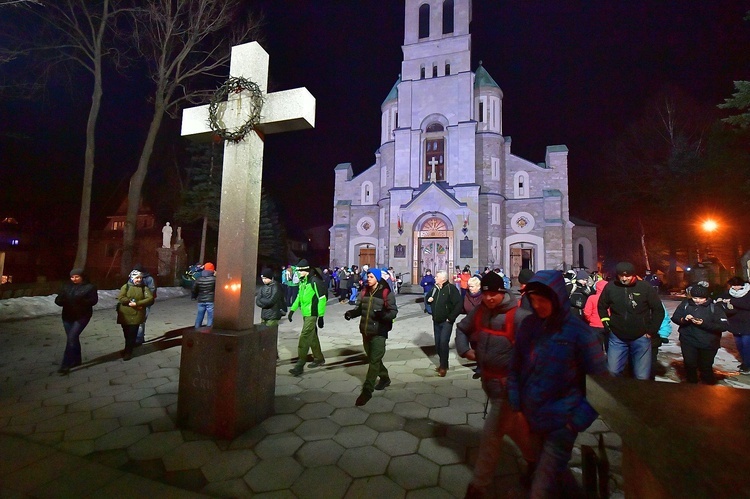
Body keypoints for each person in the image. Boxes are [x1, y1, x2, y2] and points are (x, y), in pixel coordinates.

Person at [508, 270, 608, 497]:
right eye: (533, 300)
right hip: (532, 417)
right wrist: (516, 405)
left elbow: (600, 384)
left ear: (557, 299)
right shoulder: (529, 326)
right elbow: (515, 366)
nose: (538, 305)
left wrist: (573, 424)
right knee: (555, 474)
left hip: (560, 424)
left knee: (541, 488)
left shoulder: (579, 333)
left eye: (543, 300)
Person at [456, 271, 536, 497]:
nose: (489, 298)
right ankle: (535, 461)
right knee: (513, 428)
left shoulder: (518, 317)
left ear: (502, 292)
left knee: (491, 435)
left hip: (508, 387)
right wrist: (465, 350)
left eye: (494, 294)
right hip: (489, 382)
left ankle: (478, 486)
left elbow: (534, 350)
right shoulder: (481, 312)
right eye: (486, 294)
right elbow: (462, 328)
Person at [598, 261, 664, 380]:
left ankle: (639, 398)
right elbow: (602, 306)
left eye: (627, 276)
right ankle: (615, 396)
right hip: (617, 337)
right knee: (612, 371)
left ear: (633, 275)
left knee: (641, 376)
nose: (624, 278)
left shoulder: (645, 287)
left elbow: (658, 310)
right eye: (621, 275)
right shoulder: (611, 287)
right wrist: (606, 322)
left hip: (641, 337)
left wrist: (651, 331)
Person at [344, 268, 398, 406]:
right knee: (373, 358)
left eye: (372, 276)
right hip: (366, 330)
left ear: (378, 278)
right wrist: (351, 313)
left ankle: (367, 391)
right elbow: (360, 309)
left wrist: (383, 315)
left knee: (373, 361)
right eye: (368, 276)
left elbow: (393, 312)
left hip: (379, 332)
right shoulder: (364, 291)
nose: (369, 278)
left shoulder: (386, 293)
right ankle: (385, 378)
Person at [671, 283, 728, 384]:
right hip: (688, 340)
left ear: (706, 297)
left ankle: (707, 387)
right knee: (690, 364)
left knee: (705, 366)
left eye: (701, 298)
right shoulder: (685, 304)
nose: (697, 300)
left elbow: (723, 326)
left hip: (708, 342)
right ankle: (691, 385)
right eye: (695, 298)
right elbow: (675, 317)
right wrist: (684, 320)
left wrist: (703, 324)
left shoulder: (715, 308)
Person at [54, 268, 98, 375]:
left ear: (82, 276)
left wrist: (81, 301)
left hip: (82, 316)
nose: (74, 279)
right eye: (72, 277)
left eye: (77, 276)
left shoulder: (89, 287)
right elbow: (59, 299)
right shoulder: (66, 286)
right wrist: (61, 301)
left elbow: (93, 301)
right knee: (72, 338)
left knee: (71, 338)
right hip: (68, 316)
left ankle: (65, 364)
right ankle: (77, 359)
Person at [288, 259, 327, 376]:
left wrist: (321, 316)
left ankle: (300, 364)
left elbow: (322, 298)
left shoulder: (314, 281)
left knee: (305, 336)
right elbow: (299, 297)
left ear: (306, 270)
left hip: (312, 314)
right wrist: (292, 310)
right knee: (312, 336)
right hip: (305, 313)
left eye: (300, 271)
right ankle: (319, 358)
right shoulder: (303, 281)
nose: (298, 273)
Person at [426, 270, 462, 376]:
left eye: (437, 277)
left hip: (446, 322)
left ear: (443, 279)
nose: (435, 278)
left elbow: (459, 304)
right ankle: (444, 363)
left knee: (443, 343)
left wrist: (451, 318)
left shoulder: (451, 289)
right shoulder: (434, 289)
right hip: (436, 321)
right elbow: (427, 298)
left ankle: (443, 367)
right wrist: (429, 300)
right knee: (437, 345)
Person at [116, 270, 154, 361]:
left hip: (137, 315)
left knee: (132, 334)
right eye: (137, 278)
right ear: (132, 278)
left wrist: (137, 303)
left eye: (140, 278)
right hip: (125, 314)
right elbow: (121, 297)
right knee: (126, 334)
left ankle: (128, 352)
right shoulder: (126, 286)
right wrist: (129, 302)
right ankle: (127, 348)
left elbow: (150, 299)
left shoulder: (144, 288)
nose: (139, 279)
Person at [716, 276, 750, 373]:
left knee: (746, 345)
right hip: (735, 324)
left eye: (737, 286)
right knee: (739, 345)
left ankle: (747, 365)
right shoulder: (729, 293)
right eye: (733, 286)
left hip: (747, 324)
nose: (735, 288)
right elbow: (720, 298)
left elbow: (747, 304)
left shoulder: (748, 292)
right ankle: (745, 362)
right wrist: (719, 300)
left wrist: (732, 301)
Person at [131, 264, 156, 346]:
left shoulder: (149, 279)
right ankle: (137, 337)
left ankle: (139, 339)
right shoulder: (133, 276)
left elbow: (152, 290)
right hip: (135, 302)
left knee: (141, 321)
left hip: (145, 303)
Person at [582, 278, 609, 352]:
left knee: (596, 348)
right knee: (609, 347)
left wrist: (590, 320)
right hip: (608, 325)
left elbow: (587, 312)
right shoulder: (610, 298)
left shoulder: (592, 298)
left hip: (594, 326)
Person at [192, 262, 216, 329]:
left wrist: (194, 297)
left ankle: (196, 328)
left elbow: (194, 289)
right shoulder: (215, 279)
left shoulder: (199, 279)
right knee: (210, 317)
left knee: (199, 315)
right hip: (211, 300)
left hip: (201, 301)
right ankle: (209, 330)